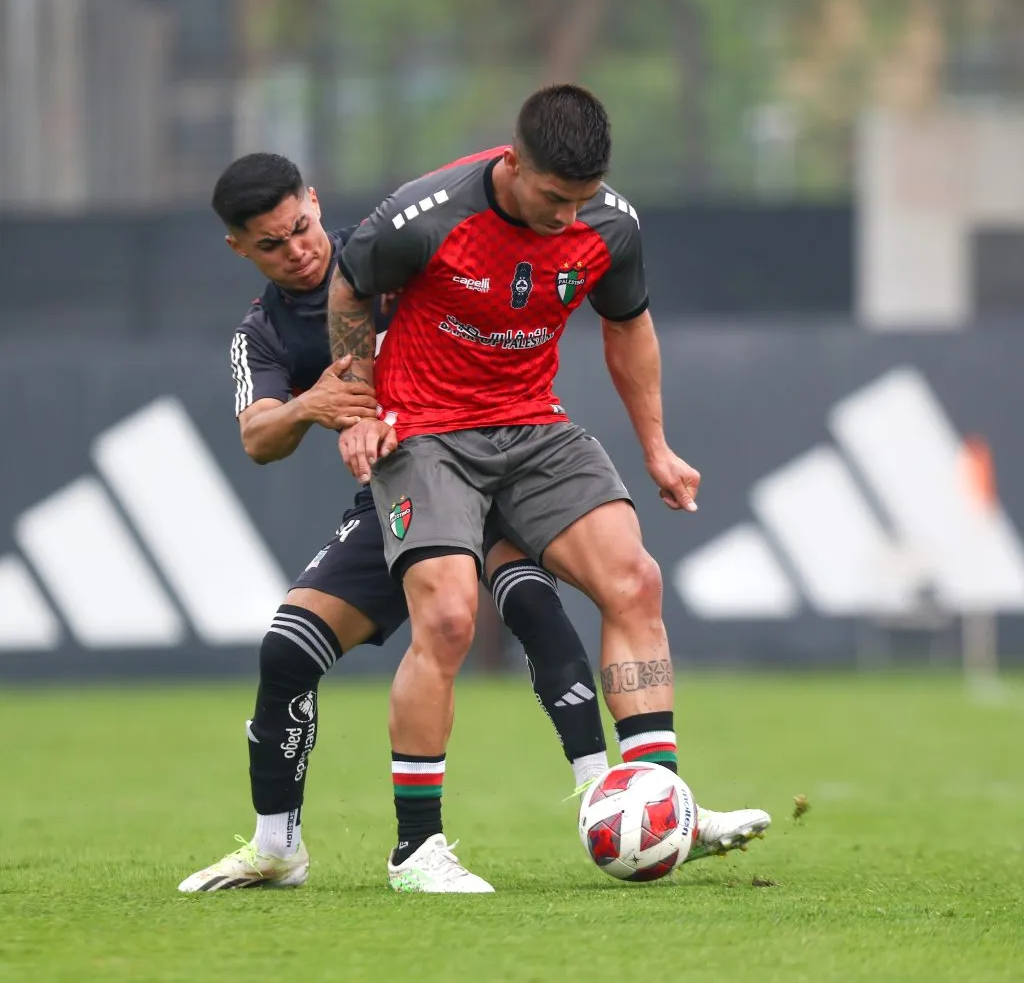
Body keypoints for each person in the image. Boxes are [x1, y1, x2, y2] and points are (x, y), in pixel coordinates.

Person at [329, 85, 771, 894]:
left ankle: (661, 800)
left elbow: (627, 323)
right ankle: (416, 851)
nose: (570, 216)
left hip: (532, 425)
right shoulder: (421, 217)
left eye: (584, 198)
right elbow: (350, 286)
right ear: (513, 162)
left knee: (634, 581)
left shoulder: (611, 225)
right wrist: (358, 403)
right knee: (452, 615)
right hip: (424, 430)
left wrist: (657, 449)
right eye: (554, 197)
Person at [177, 152, 613, 893]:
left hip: (477, 456)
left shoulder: (388, 249)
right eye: (272, 244)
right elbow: (258, 438)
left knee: (528, 596)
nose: (298, 250)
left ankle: (614, 796)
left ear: (314, 202)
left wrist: (394, 406)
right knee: (287, 649)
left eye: (302, 227)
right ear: (239, 249)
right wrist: (309, 408)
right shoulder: (262, 336)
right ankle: (277, 846)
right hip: (397, 495)